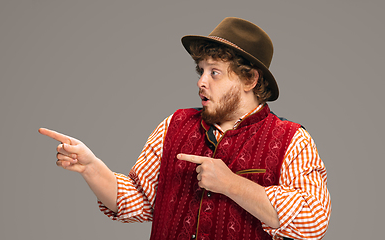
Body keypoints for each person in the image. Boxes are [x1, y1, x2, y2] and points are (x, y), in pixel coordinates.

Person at [39, 17, 330, 240]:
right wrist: (91, 167)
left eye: (214, 72)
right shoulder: (173, 126)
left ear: (250, 79)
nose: (201, 81)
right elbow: (139, 201)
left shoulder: (293, 140)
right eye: (200, 70)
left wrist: (232, 184)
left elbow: (313, 222)